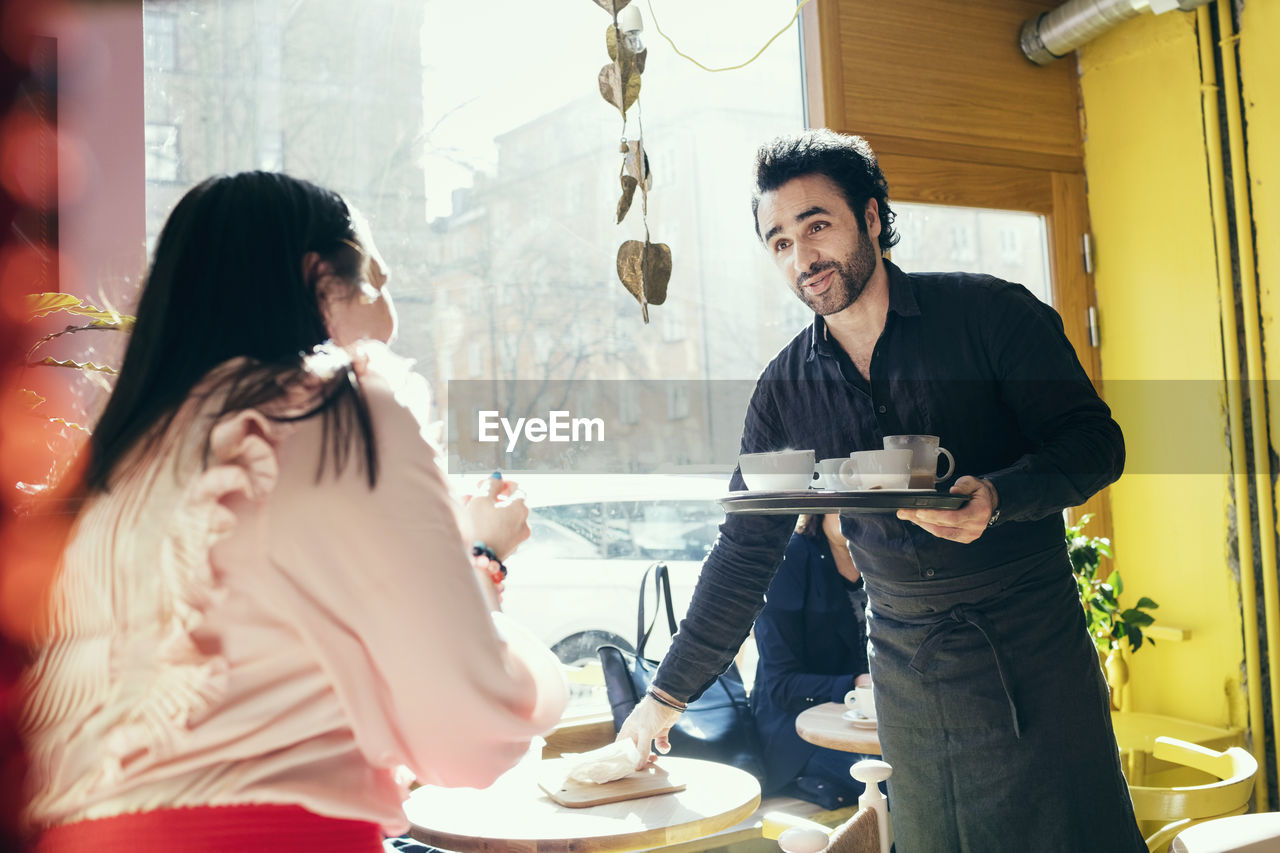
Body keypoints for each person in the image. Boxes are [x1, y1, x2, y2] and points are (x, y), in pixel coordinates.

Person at [618, 130, 1145, 852]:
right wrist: (664, 696)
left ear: (870, 216)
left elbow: (1096, 444)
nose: (802, 258)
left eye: (817, 225)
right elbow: (745, 552)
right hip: (908, 674)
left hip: (1032, 652)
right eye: (779, 242)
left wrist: (998, 496)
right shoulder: (784, 392)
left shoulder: (991, 315)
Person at [18, 172, 567, 851]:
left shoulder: (113, 469)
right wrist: (482, 561)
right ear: (317, 278)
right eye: (378, 282)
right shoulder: (336, 409)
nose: (392, 324)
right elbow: (468, 735)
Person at [750, 513, 873, 810]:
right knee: (898, 776)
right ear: (819, 503)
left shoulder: (880, 556)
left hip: (862, 725)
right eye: (842, 502)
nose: (856, 512)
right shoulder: (788, 558)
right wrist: (856, 684)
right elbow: (781, 686)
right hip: (794, 737)